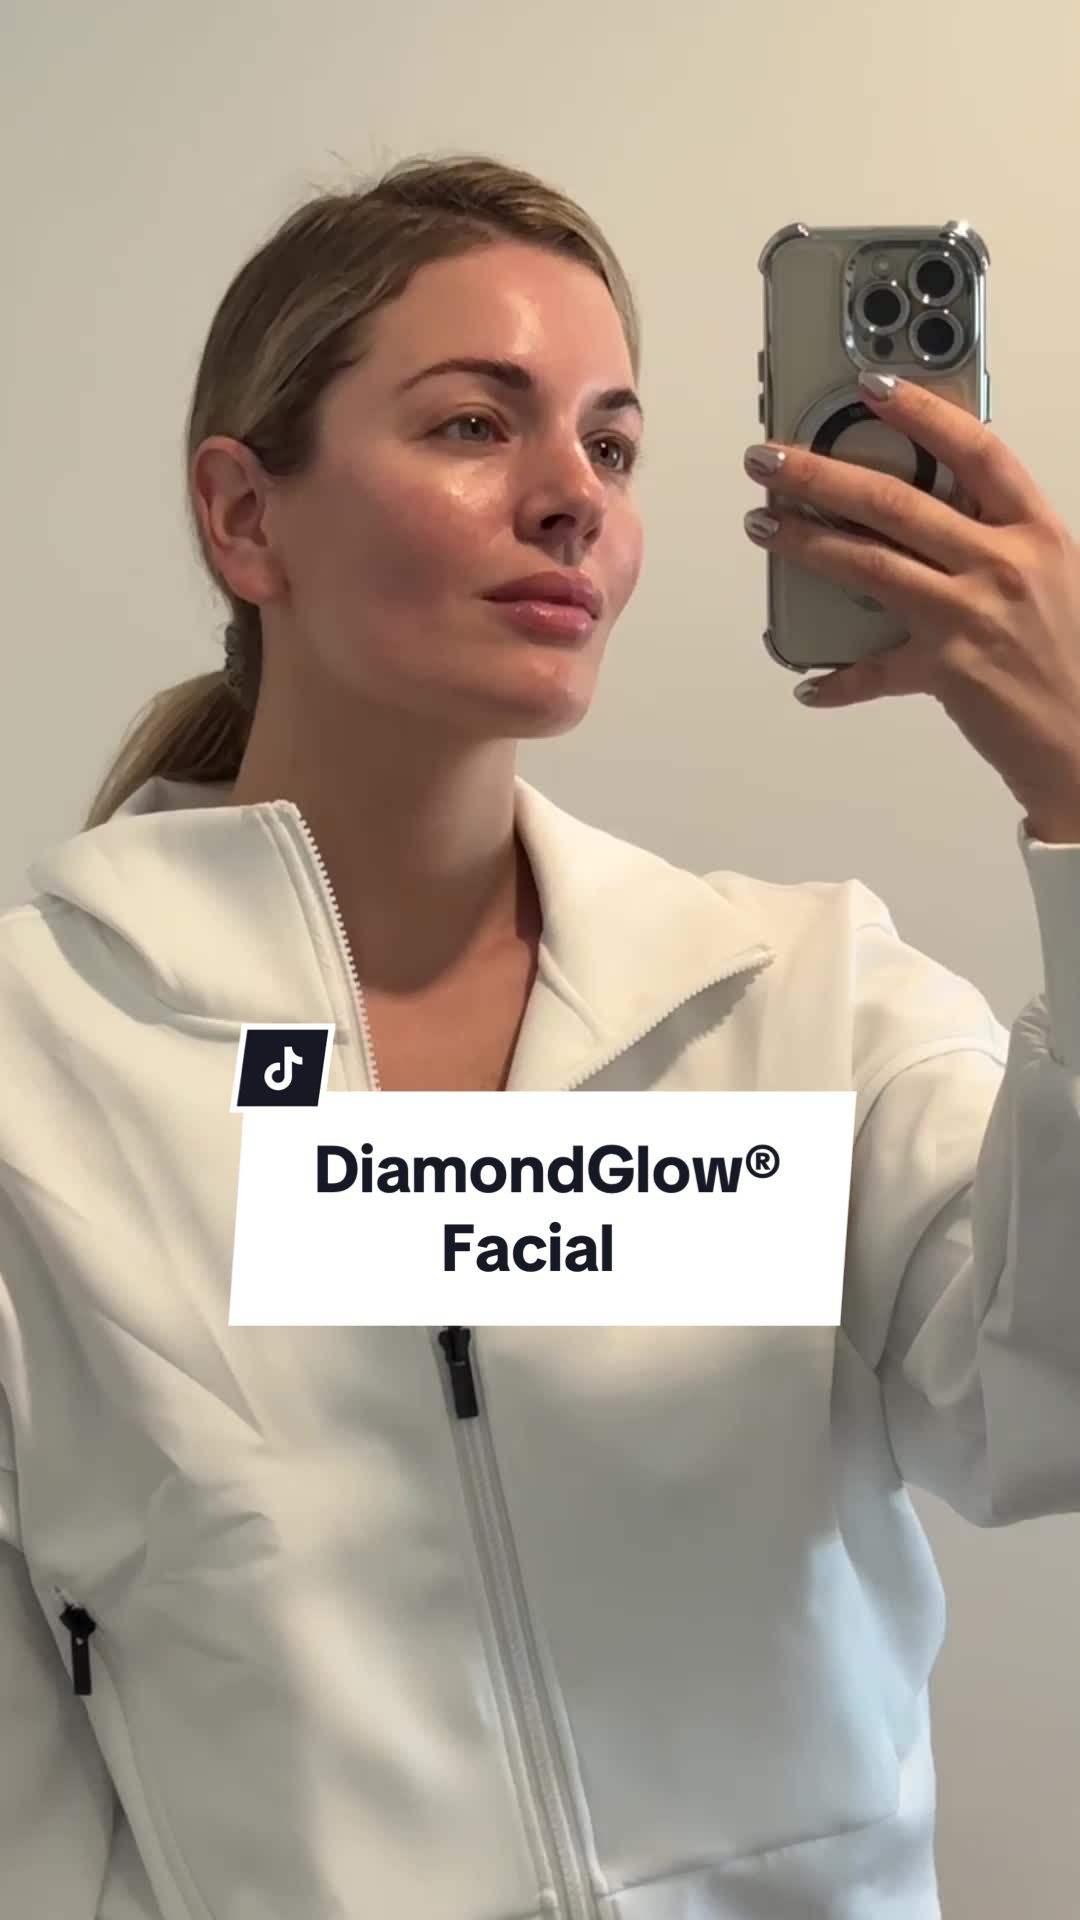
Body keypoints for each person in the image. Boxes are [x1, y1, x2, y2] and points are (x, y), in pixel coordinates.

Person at [1, 151, 1079, 1920]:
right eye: (472, 425)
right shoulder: (41, 1071)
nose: (575, 497)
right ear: (246, 517)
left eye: (615, 445)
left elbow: (1057, 1407)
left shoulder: (799, 1003)